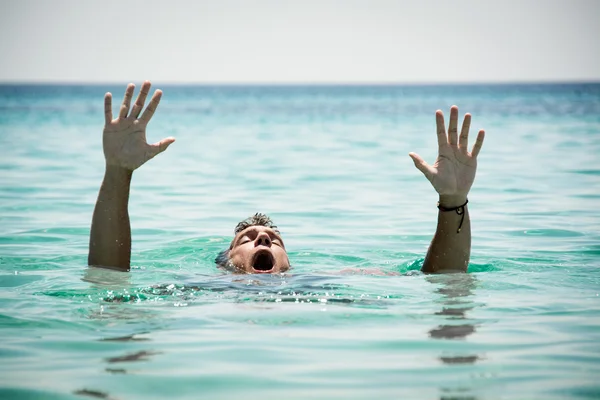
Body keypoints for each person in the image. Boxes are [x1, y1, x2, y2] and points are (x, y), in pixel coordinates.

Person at [88, 81, 485, 274]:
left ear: (288, 263)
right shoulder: (197, 295)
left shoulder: (323, 286)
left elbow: (443, 282)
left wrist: (453, 202)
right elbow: (109, 282)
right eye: (248, 239)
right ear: (226, 262)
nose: (263, 238)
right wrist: (118, 173)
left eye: (273, 240)